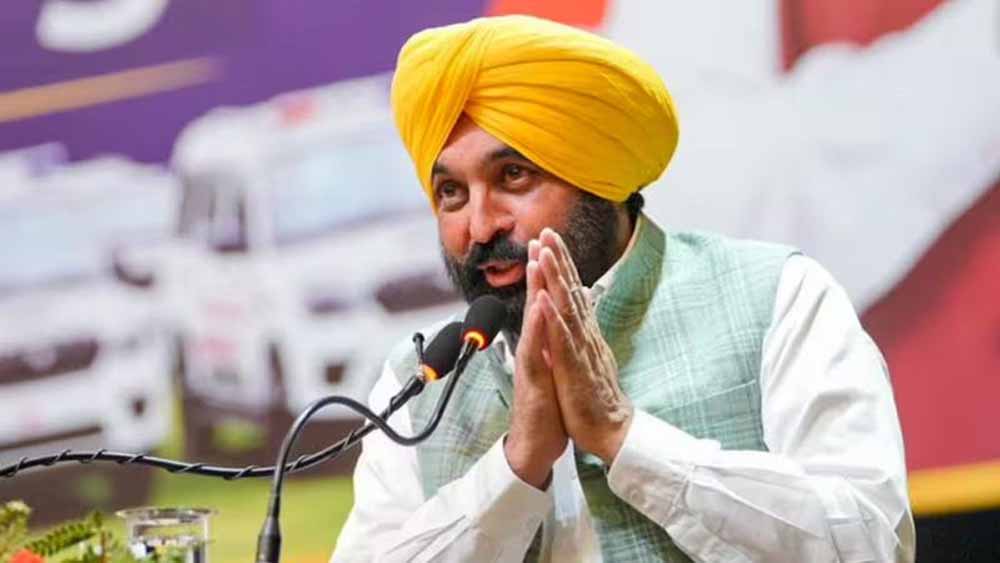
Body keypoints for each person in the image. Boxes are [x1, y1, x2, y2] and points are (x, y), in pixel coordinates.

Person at [331, 15, 914, 563]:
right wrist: (515, 466)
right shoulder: (420, 380)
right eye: (451, 193)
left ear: (600, 177)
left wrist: (622, 435)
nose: (480, 227)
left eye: (514, 176)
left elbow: (870, 541)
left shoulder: (778, 297)